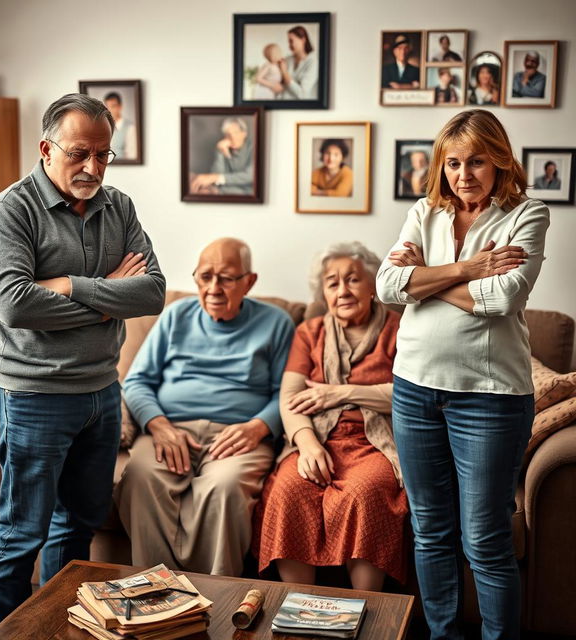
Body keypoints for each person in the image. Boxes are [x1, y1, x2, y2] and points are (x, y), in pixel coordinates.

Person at [0, 93, 166, 631]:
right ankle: (5, 634)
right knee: (21, 536)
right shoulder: (11, 210)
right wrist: (109, 293)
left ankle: (60, 628)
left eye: (104, 155)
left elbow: (151, 292)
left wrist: (70, 287)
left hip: (102, 394)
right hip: (35, 396)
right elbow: (14, 304)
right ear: (46, 149)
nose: (94, 167)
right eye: (81, 153)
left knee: (77, 526)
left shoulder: (120, 206)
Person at [376, 109, 550, 639]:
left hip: (490, 398)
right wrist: (467, 270)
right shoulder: (424, 211)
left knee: (485, 537)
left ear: (499, 160)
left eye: (476, 161)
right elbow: (386, 287)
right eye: (453, 162)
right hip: (413, 391)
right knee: (430, 532)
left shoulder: (528, 214)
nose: (464, 174)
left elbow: (501, 298)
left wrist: (422, 281)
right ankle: (443, 635)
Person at [114, 238, 295, 577]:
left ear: (249, 281)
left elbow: (285, 393)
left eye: (226, 278)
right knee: (140, 477)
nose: (213, 287)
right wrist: (159, 425)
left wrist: (258, 427)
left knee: (224, 488)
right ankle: (154, 591)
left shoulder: (277, 323)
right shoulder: (176, 315)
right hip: (169, 430)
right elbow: (137, 381)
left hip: (238, 436)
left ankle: (219, 591)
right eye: (205, 276)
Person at [253, 242, 408, 591]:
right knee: (290, 489)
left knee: (365, 492)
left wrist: (338, 392)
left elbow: (409, 395)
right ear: (323, 293)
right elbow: (291, 398)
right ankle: (298, 604)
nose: (342, 290)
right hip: (318, 437)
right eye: (332, 283)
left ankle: (369, 606)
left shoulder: (400, 330)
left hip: (375, 442)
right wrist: (307, 445)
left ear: (373, 286)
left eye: (353, 280)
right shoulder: (310, 333)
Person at [189, 117, 254, 195]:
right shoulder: (223, 147)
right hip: (225, 189)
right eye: (228, 134)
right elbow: (216, 174)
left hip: (246, 192)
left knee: (204, 189)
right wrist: (220, 152)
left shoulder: (254, 147)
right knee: (191, 178)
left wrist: (215, 178)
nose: (232, 137)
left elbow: (250, 176)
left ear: (244, 134)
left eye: (236, 132)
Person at [278, 25, 318, 100]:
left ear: (303, 40)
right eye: (288, 42)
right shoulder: (287, 60)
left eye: (291, 41)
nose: (289, 45)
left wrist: (284, 73)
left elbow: (302, 94)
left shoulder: (313, 62)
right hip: (281, 105)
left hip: (301, 108)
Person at [103, 91, 138, 160]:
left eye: (113, 106)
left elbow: (132, 156)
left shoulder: (130, 128)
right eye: (107, 107)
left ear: (120, 107)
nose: (109, 110)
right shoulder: (102, 127)